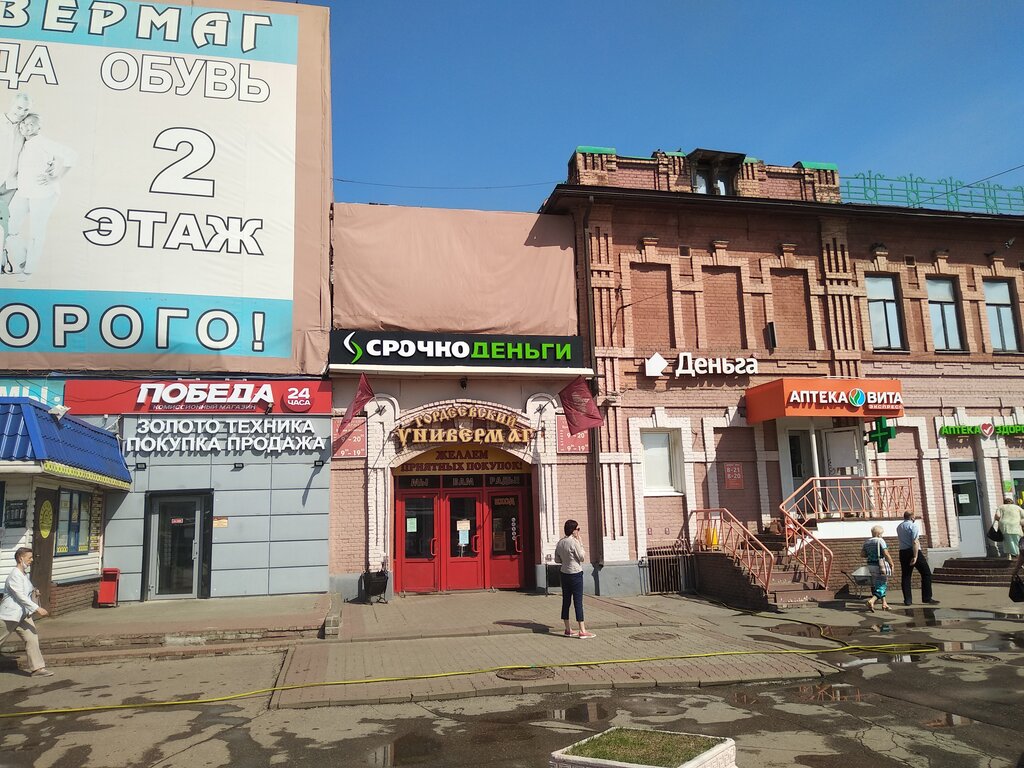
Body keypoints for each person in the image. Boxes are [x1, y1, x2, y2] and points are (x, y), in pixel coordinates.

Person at [6, 112, 76, 282]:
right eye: (24, 123)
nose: (26, 126)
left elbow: (71, 155)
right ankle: (23, 260)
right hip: (25, 192)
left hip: (44, 194)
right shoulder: (22, 142)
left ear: (39, 127)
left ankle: (29, 270)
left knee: (36, 231)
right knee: (9, 226)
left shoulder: (42, 142)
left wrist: (56, 177)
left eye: (31, 124)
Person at [0, 547, 53, 677]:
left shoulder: (24, 574)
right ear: (20, 558)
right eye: (29, 557)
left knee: (32, 638)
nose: (32, 560)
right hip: (9, 616)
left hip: (23, 615)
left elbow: (26, 592)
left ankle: (37, 669)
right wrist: (37, 608)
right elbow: (20, 596)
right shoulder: (14, 575)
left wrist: (35, 592)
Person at [0, 92, 30, 273]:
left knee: (4, 225)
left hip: (10, 184)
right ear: (12, 104)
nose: (21, 112)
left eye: (25, 110)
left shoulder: (25, 127)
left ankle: (2, 260)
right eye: (19, 107)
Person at [554, 519, 594, 638]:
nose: (578, 531)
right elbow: (581, 557)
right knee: (578, 601)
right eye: (577, 529)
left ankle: (567, 629)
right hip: (575, 573)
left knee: (566, 601)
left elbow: (557, 559)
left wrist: (565, 560)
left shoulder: (560, 542)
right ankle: (582, 630)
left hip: (564, 573)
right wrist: (580, 542)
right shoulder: (574, 542)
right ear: (573, 530)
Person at [896, 510, 939, 606]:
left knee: (906, 576)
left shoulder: (899, 527)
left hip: (903, 552)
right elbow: (915, 541)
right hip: (913, 551)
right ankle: (927, 597)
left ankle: (907, 600)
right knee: (926, 573)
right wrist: (915, 556)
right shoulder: (913, 526)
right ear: (912, 517)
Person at [862, 525, 894, 612]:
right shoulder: (880, 541)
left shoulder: (867, 542)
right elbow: (886, 553)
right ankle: (871, 601)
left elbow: (863, 554)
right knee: (883, 584)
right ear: (879, 533)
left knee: (878, 584)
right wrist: (891, 564)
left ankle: (884, 603)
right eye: (882, 533)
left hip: (870, 565)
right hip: (880, 565)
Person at [993, 494, 1023, 560]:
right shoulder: (1017, 507)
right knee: (1016, 541)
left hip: (1005, 527)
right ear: (1012, 502)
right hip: (1015, 526)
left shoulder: (1000, 507)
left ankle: (1009, 556)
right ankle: (1018, 555)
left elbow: (997, 516)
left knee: (1006, 542)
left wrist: (1000, 520)